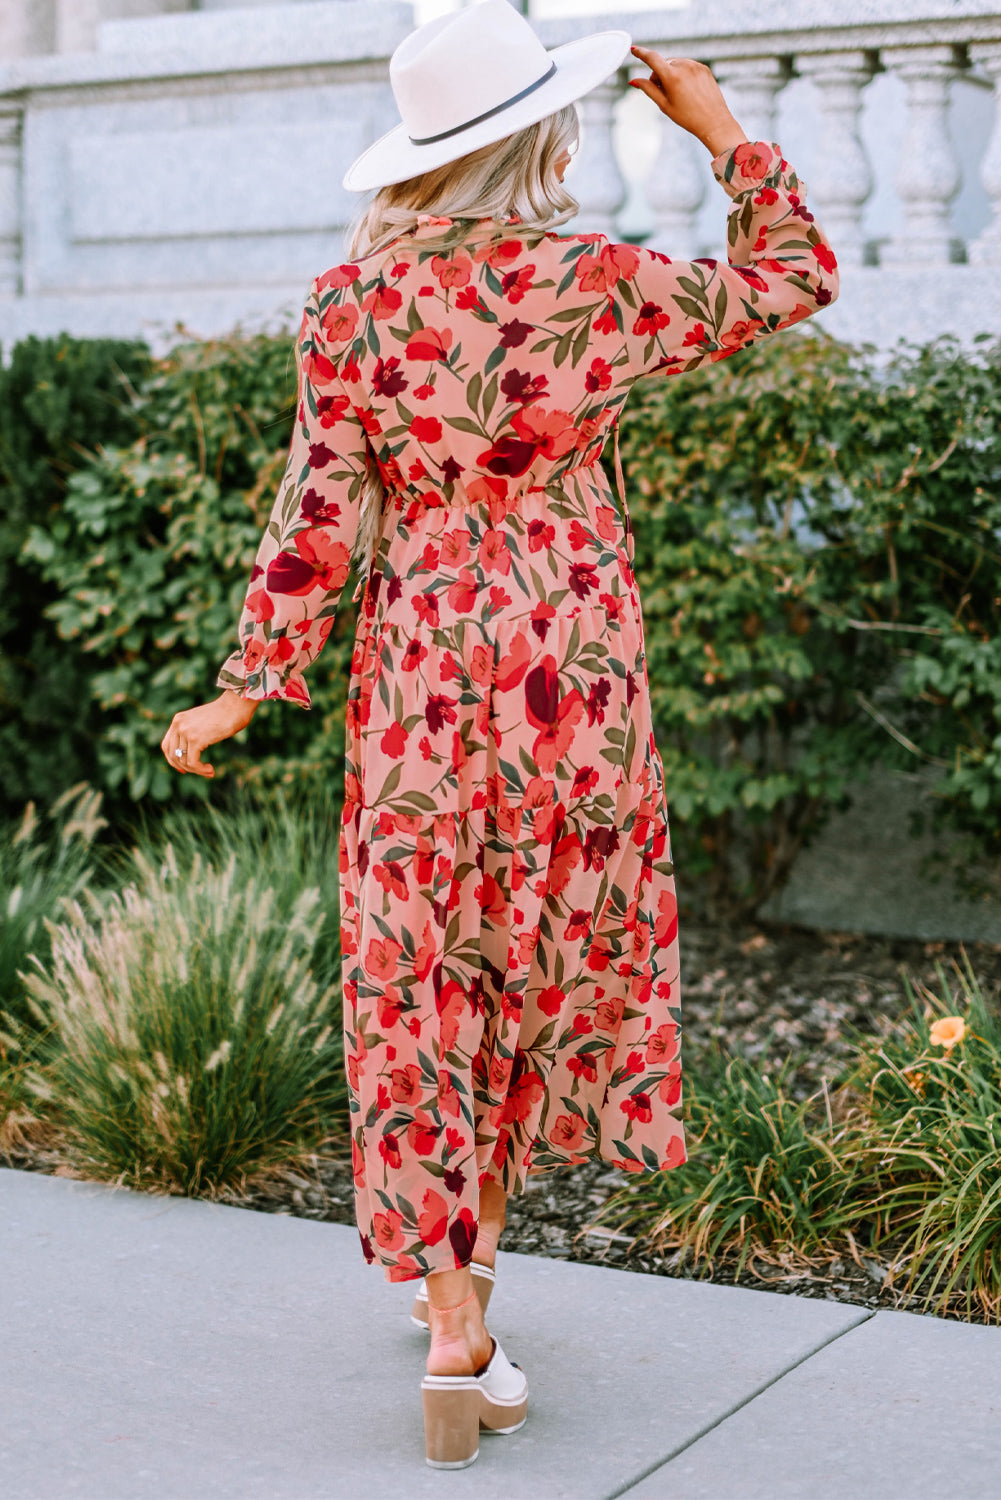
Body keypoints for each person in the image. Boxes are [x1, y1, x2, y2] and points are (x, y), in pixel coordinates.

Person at [159, 0, 839, 1470]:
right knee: (531, 949)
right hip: (572, 662)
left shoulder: (352, 310)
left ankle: (452, 1302)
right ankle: (473, 1277)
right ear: (539, 137)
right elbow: (794, 277)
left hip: (420, 665)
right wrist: (720, 133)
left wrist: (249, 681)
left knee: (417, 967)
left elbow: (317, 523)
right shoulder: (595, 283)